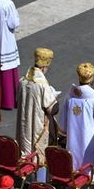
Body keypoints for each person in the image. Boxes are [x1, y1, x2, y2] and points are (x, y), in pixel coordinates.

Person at [58, 62, 94, 173]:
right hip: (89, 143)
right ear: (92, 78)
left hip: (73, 142)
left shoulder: (70, 96)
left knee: (74, 168)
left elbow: (63, 125)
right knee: (89, 170)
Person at [18, 47, 59, 180]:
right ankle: (40, 184)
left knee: (25, 147)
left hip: (24, 124)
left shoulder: (23, 80)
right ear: (43, 68)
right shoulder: (42, 84)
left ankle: (27, 180)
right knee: (39, 154)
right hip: (38, 125)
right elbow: (52, 108)